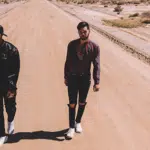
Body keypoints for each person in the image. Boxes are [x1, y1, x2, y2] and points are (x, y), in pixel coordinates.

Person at [64, 21, 100, 139]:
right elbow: (67, 61)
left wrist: (97, 81)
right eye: (80, 32)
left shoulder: (94, 47)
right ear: (78, 32)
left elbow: (96, 65)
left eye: (84, 31)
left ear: (89, 31)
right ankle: (70, 127)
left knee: (82, 102)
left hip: (85, 78)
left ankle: (78, 122)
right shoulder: (72, 45)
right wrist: (66, 76)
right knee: (72, 103)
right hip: (73, 77)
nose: (82, 33)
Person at [0, 25, 20, 145]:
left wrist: (11, 87)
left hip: (8, 84)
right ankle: (2, 134)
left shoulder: (12, 50)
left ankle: (11, 121)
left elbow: (15, 71)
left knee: (10, 107)